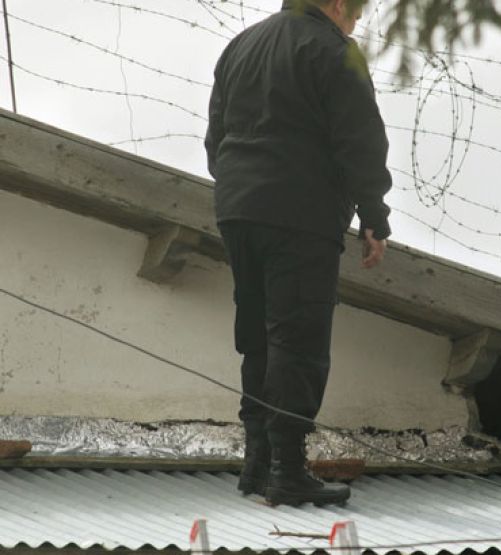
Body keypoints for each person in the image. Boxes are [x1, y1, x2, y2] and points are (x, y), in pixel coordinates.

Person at [204, 0, 391, 506]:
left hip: (239, 208)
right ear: (335, 5)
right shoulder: (333, 50)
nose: (355, 25)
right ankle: (287, 469)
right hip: (300, 212)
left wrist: (242, 187)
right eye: (355, 15)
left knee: (258, 334)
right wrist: (373, 213)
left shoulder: (241, 45)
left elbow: (215, 137)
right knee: (298, 339)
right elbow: (359, 138)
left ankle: (256, 462)